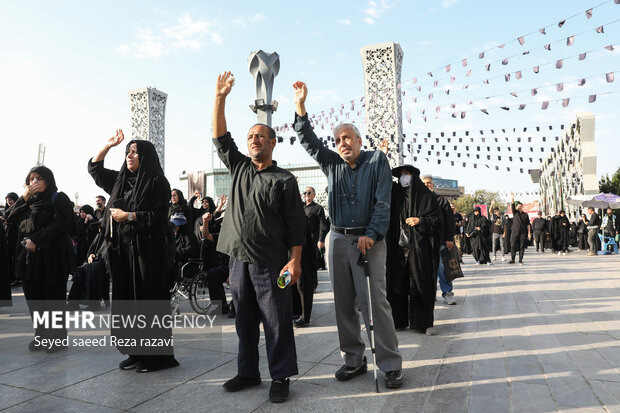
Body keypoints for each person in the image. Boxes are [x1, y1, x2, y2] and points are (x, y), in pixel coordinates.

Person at [293, 80, 403, 389]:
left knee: (374, 303)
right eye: (338, 139)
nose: (342, 143)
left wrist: (371, 233)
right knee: (343, 303)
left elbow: (383, 202)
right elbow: (310, 141)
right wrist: (301, 106)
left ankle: (390, 363)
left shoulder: (376, 161)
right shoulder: (331, 164)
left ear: (358, 140)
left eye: (347, 138)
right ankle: (353, 359)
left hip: (370, 241)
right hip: (337, 239)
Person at [213, 72, 306, 403]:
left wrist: (294, 261)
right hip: (238, 260)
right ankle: (248, 372)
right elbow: (221, 136)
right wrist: (220, 97)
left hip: (272, 263)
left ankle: (280, 375)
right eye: (250, 136)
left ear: (272, 142)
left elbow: (297, 226)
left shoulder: (284, 180)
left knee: (277, 321)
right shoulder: (237, 167)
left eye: (260, 136)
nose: (254, 139)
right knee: (245, 321)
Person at [88, 129, 179, 373]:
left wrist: (129, 216)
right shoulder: (120, 180)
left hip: (148, 254)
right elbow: (95, 169)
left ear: (145, 157)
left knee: (146, 302)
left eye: (135, 152)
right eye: (128, 152)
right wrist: (107, 146)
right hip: (122, 254)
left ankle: (157, 358)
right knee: (127, 302)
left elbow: (160, 217)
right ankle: (136, 352)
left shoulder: (157, 181)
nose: (130, 155)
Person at [4, 166, 74, 352]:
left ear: (48, 180)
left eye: (38, 179)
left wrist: (37, 240)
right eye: (31, 179)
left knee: (53, 299)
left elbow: (60, 224)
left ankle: (58, 338)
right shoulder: (27, 202)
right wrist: (23, 197)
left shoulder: (59, 198)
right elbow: (8, 217)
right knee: (34, 299)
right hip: (28, 258)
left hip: (52, 256)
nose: (34, 183)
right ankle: (41, 335)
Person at [385, 161, 442, 332]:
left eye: (406, 173)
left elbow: (437, 221)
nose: (403, 177)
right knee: (396, 282)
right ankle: (398, 321)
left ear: (413, 175)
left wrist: (420, 221)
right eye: (401, 174)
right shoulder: (394, 193)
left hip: (419, 248)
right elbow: (383, 182)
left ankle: (421, 323)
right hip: (397, 248)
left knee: (419, 283)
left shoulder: (426, 196)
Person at [421, 175, 458, 304]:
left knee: (442, 268)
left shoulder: (441, 200)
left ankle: (447, 293)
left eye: (429, 183)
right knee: (427, 269)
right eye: (424, 183)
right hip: (423, 241)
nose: (427, 185)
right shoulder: (418, 200)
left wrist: (449, 238)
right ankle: (430, 294)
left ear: (433, 185)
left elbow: (449, 220)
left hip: (440, 241)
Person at [294, 186, 326, 327]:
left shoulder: (318, 208)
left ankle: (305, 316)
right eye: (304, 192)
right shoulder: (299, 207)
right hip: (296, 245)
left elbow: (322, 225)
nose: (306, 194)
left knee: (305, 281)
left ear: (313, 194)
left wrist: (321, 239)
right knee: (297, 282)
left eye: (309, 192)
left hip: (310, 246)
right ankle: (297, 311)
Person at [509, 194, 531, 265]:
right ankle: (512, 259)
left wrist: (529, 233)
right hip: (514, 231)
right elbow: (512, 206)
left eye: (520, 206)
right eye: (518, 206)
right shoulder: (515, 213)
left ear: (522, 207)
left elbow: (528, 224)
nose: (519, 207)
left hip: (523, 232)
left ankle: (520, 260)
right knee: (513, 245)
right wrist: (512, 198)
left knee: (522, 246)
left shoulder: (525, 215)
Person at [3, 192, 19, 286]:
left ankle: (16, 277)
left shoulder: (20, 209)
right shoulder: (6, 210)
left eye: (11, 200)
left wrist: (9, 222)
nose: (9, 202)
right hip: (7, 236)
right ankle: (10, 277)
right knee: (8, 257)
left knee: (15, 257)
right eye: (7, 200)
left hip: (16, 236)